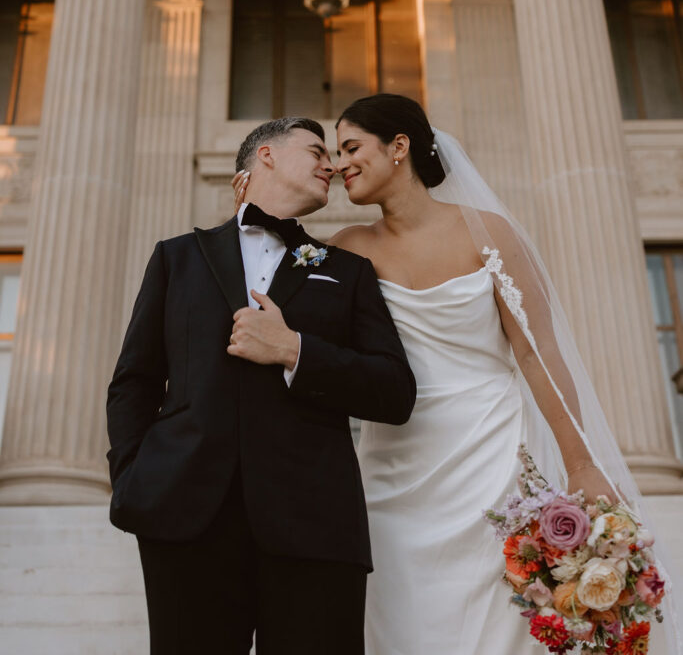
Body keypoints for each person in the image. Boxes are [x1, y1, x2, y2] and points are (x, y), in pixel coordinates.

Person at [232, 94, 680, 655]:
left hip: (494, 458)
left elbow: (538, 355)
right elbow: (292, 330)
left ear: (399, 148)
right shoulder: (342, 252)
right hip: (391, 471)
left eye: (351, 147)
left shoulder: (488, 233)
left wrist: (581, 463)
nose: (340, 164)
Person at [106, 115, 416, 655]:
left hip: (315, 524)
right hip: (184, 517)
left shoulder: (349, 271)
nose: (334, 165)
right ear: (266, 156)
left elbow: (394, 391)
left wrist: (295, 350)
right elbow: (134, 380)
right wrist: (132, 479)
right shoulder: (177, 257)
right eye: (317, 151)